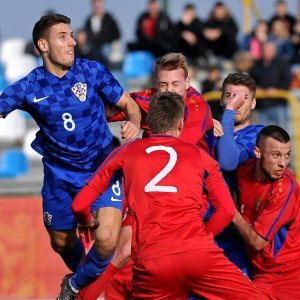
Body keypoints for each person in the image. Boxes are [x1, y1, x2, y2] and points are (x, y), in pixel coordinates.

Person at [0, 13, 141, 299]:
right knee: (61, 242)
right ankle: (87, 282)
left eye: (72, 35)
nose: (72, 42)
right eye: (62, 37)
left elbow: (129, 103)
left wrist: (135, 122)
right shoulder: (29, 87)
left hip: (102, 167)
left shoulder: (91, 71)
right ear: (43, 45)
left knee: (106, 240)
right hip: (60, 175)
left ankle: (75, 286)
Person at [72, 91, 260, 299]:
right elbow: (225, 210)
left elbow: (79, 204)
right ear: (180, 123)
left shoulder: (125, 152)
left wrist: (85, 219)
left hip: (152, 261)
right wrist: (203, 237)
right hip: (198, 254)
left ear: (149, 123)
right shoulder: (200, 156)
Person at [233, 125, 300, 299]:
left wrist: (231, 211)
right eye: (276, 155)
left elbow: (256, 241)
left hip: (289, 278)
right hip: (262, 275)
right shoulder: (242, 172)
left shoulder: (284, 189)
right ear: (257, 152)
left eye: (287, 155)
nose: (283, 163)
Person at [108, 52, 215, 156]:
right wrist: (132, 119)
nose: (169, 90)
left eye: (175, 84)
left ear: (187, 83)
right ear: (156, 84)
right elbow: (104, 109)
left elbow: (180, 148)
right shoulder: (148, 99)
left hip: (193, 168)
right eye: (163, 84)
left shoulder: (198, 108)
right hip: (153, 163)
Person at [214, 73, 265, 278]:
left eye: (241, 98)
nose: (235, 103)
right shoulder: (208, 131)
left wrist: (228, 112)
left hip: (235, 236)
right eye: (230, 96)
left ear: (252, 103)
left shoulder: (259, 134)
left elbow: (228, 161)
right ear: (221, 98)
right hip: (200, 231)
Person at [84, 0, 122, 66]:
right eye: (95, 5)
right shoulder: (89, 20)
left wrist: (108, 40)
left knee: (105, 51)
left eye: (98, 4)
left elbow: (117, 33)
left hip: (107, 46)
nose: (97, 7)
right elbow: (86, 34)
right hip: (94, 47)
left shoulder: (109, 18)